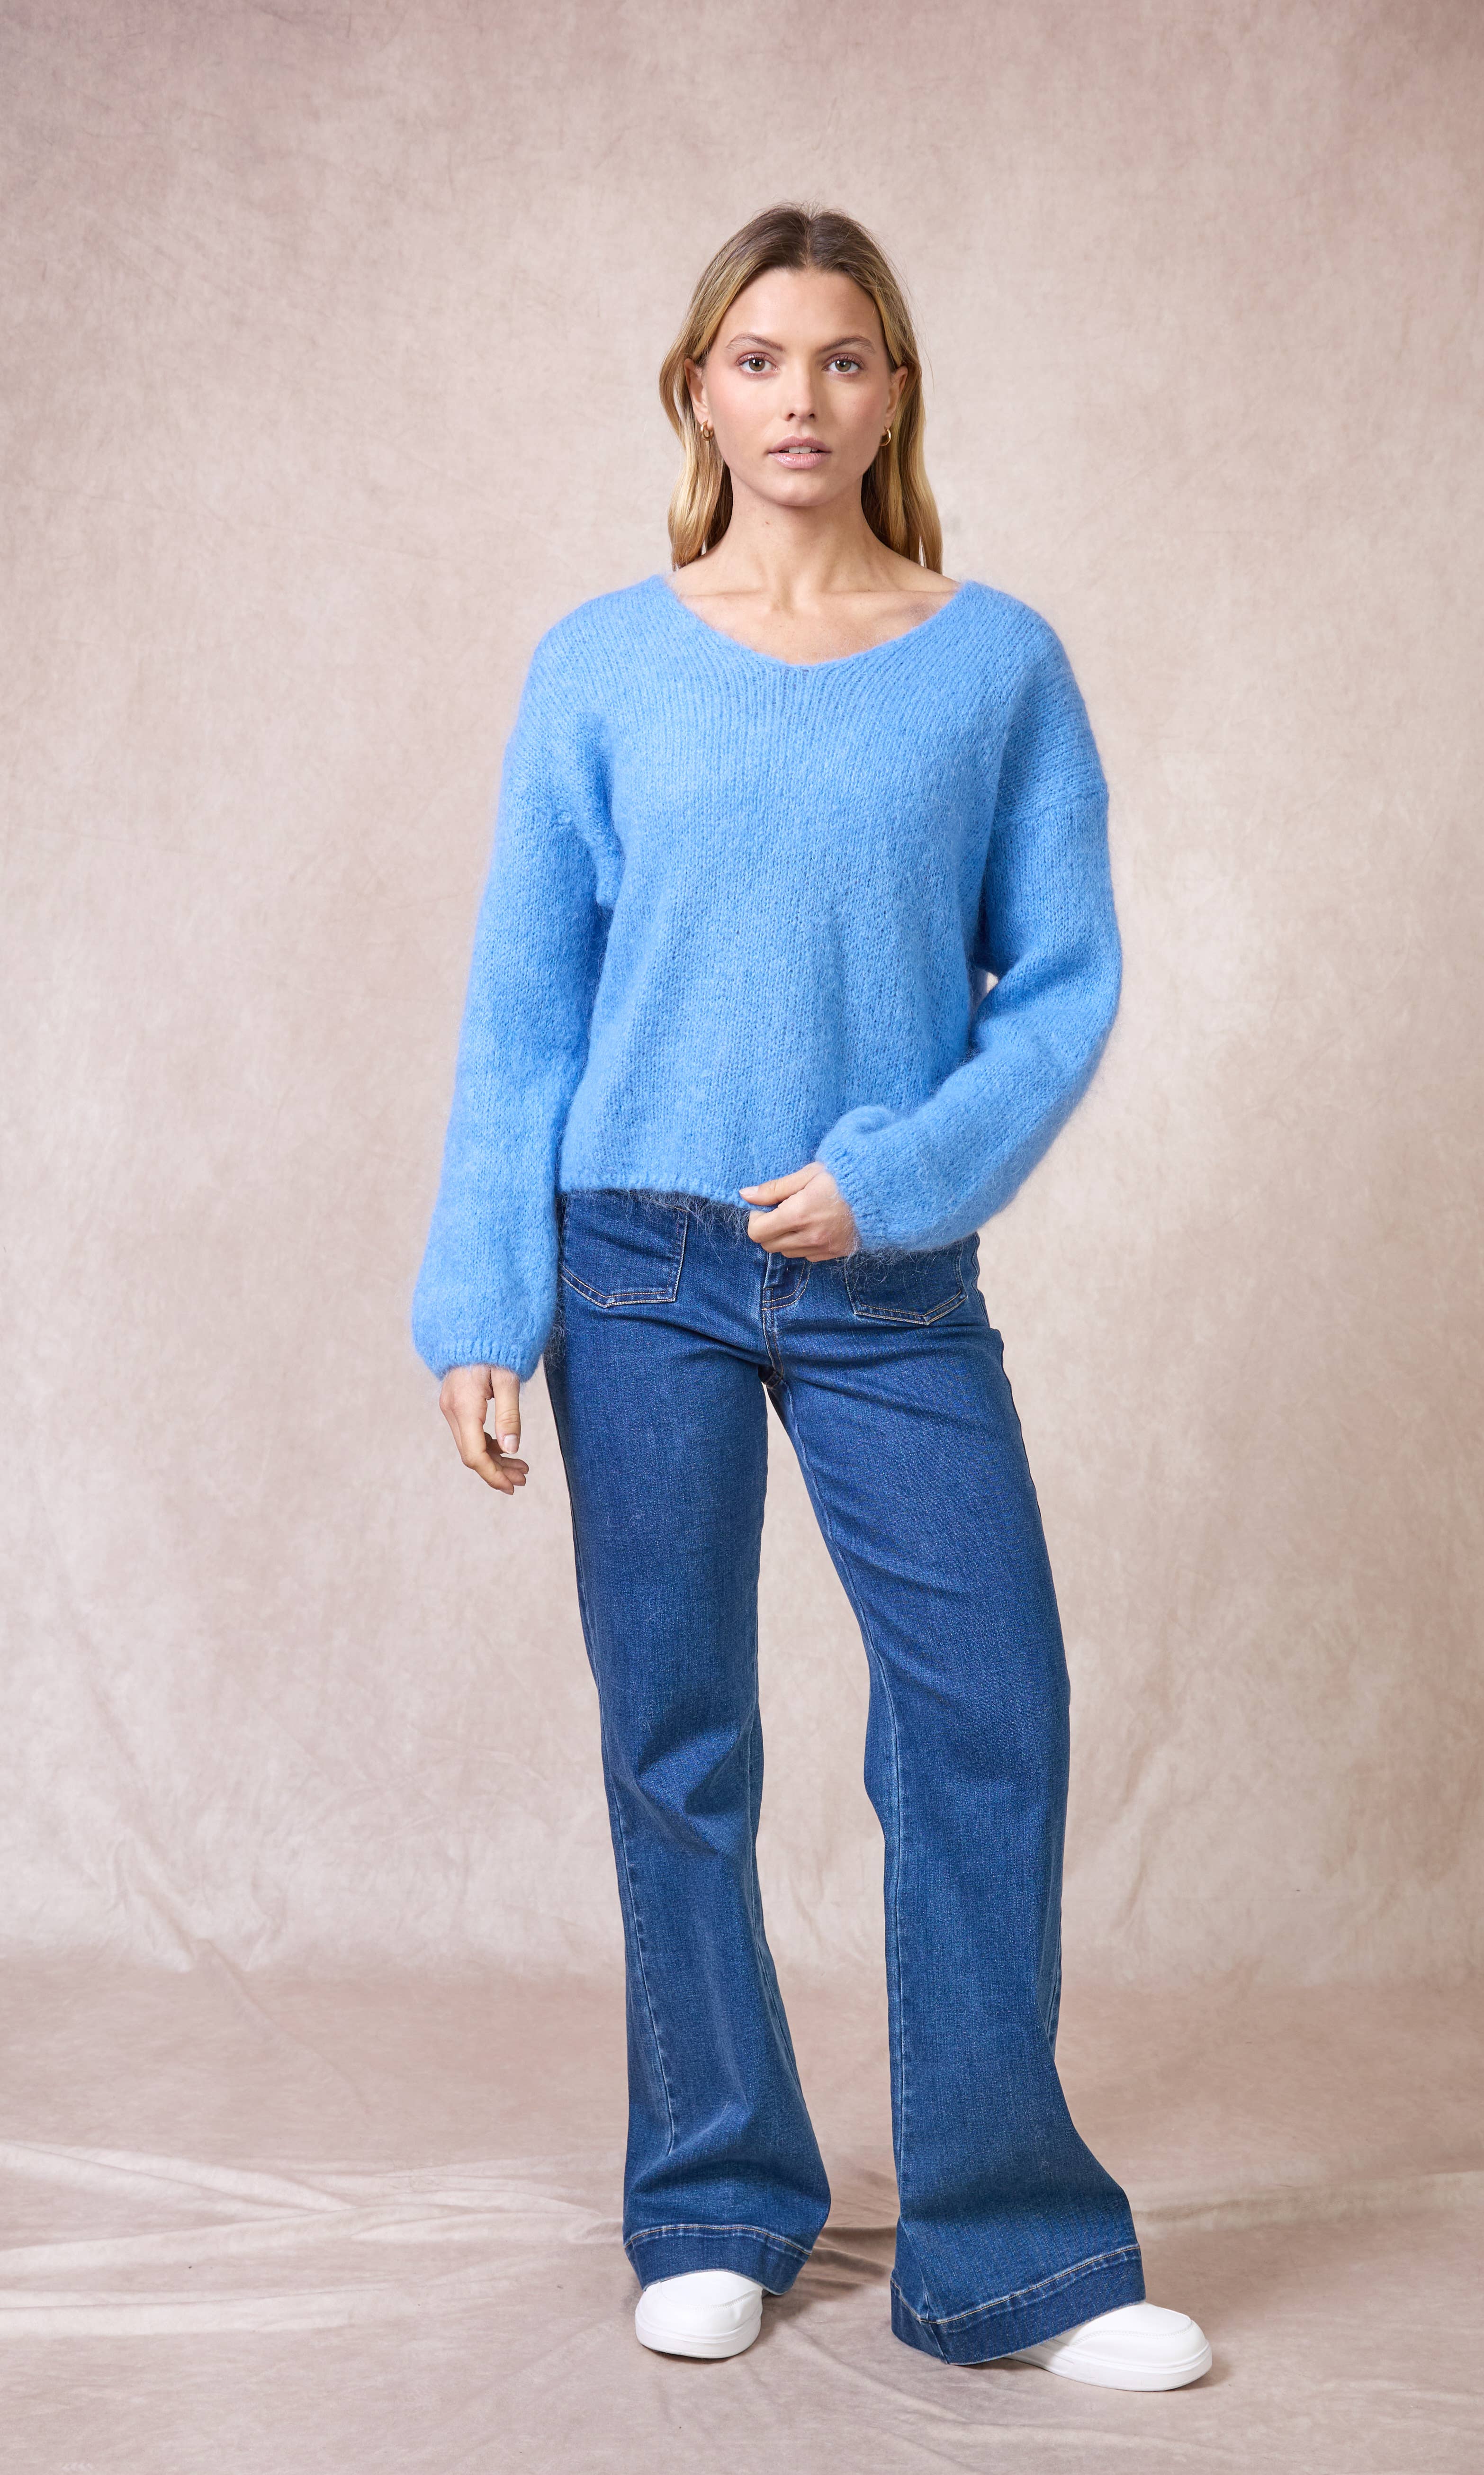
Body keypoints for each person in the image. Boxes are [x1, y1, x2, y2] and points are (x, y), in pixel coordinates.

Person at [411, 201, 1212, 2394]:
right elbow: (522, 1011)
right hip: (633, 1262)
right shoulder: (598, 664)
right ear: (697, 390)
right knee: (678, 1740)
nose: (799, 397)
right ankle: (712, 2195)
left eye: (842, 359)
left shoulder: (993, 665)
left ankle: (1011, 2254)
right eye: (758, 358)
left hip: (884, 1271)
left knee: (987, 1714)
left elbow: (1059, 990)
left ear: (893, 395)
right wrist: (481, 1299)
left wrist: (897, 1178)